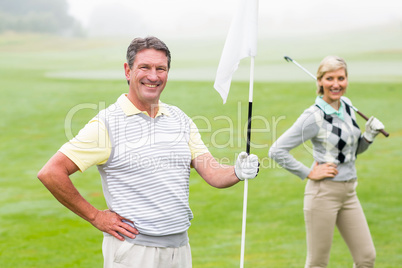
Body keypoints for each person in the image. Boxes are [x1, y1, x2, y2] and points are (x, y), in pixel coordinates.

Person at [37, 36, 260, 268]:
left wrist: (237, 171)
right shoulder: (107, 124)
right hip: (134, 251)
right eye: (145, 67)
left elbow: (213, 173)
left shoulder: (180, 119)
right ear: (128, 70)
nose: (153, 76)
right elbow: (51, 172)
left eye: (160, 69)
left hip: (180, 248)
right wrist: (95, 216)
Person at [269, 55, 384, 268]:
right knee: (318, 264)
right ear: (320, 81)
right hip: (323, 195)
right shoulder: (313, 116)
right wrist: (309, 172)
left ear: (347, 80)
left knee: (366, 258)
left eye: (341, 78)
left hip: (349, 193)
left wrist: (368, 135)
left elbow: (351, 151)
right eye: (329, 78)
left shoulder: (348, 106)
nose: (336, 84)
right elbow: (277, 150)